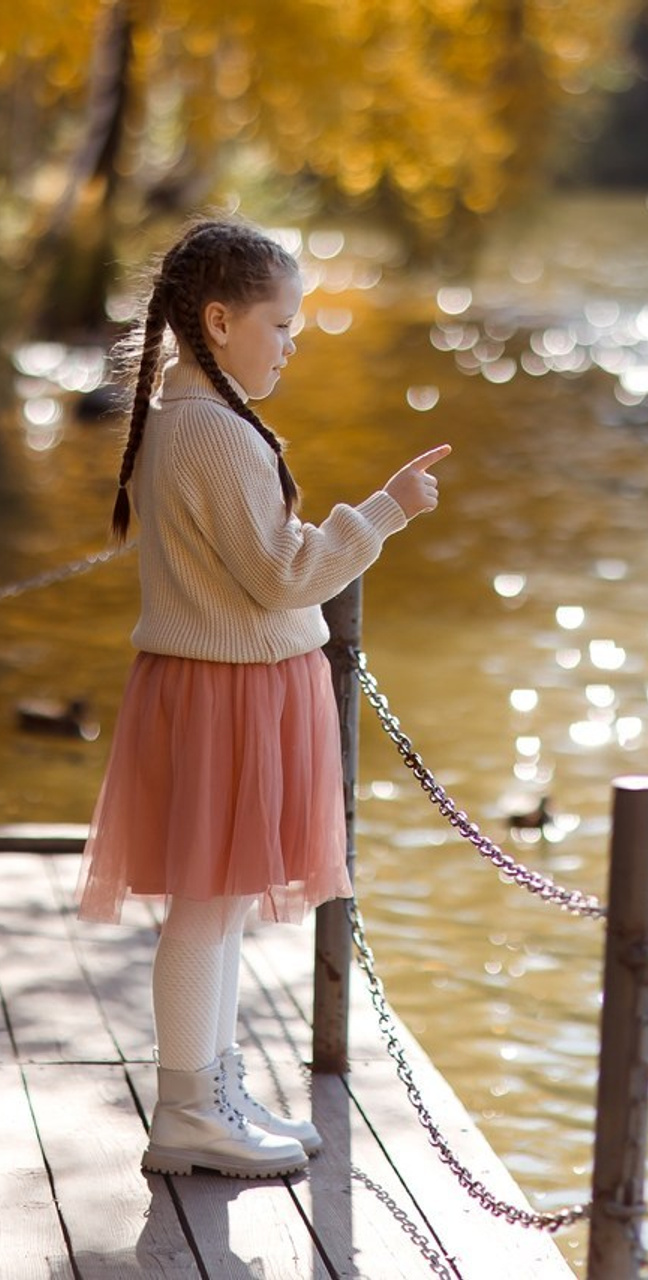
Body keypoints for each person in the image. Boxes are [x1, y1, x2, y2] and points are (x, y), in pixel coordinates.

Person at [76, 216, 450, 1179]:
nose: (292, 342)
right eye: (281, 324)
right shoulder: (213, 432)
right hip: (226, 695)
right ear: (219, 319)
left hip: (229, 686)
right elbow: (284, 576)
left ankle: (213, 1088)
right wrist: (382, 513)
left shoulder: (197, 418)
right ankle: (189, 1110)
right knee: (209, 907)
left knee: (223, 904)